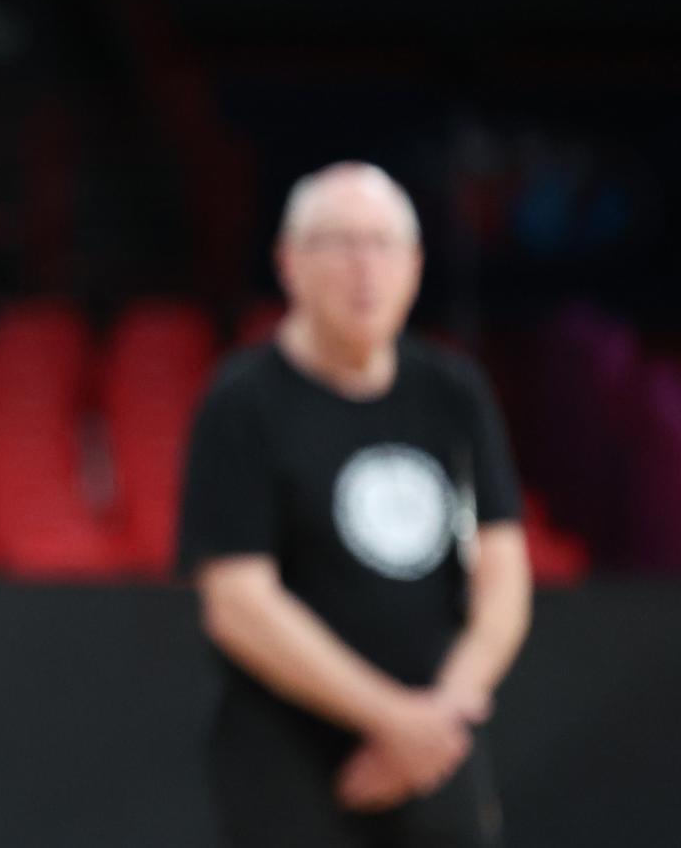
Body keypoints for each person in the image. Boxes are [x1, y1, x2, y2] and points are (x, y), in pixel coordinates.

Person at [177, 163, 532, 848]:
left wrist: (442, 714)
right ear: (289, 262)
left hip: (439, 748)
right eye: (339, 244)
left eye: (383, 244)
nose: (365, 268)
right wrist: (392, 721)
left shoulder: (454, 393)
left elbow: (504, 575)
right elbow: (239, 603)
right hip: (288, 760)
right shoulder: (241, 403)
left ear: (415, 265)